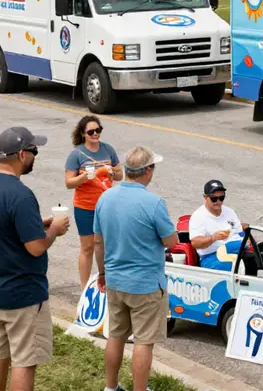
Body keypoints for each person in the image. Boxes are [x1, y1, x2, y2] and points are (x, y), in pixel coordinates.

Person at [0, 126, 69, 391]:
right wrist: (54, 230)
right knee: (24, 361)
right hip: (22, 293)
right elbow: (36, 247)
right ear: (22, 154)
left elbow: (0, 226)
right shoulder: (20, 194)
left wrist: (38, 224)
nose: (36, 156)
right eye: (34, 151)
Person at [94, 146, 177, 391]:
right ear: (147, 171)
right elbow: (170, 240)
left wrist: (102, 272)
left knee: (116, 335)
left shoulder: (105, 198)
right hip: (146, 284)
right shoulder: (153, 202)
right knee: (144, 341)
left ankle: (111, 387)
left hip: (116, 280)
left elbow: (97, 241)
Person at [64, 115, 122, 289]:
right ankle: (84, 287)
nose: (95, 134)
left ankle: (107, 283)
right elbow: (69, 183)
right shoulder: (76, 154)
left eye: (98, 130)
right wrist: (86, 176)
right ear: (83, 133)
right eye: (91, 132)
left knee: (106, 245)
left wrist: (112, 172)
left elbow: (120, 174)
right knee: (88, 247)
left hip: (107, 205)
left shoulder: (108, 149)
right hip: (85, 206)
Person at [189, 180, 249, 271]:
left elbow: (240, 233)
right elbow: (195, 243)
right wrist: (213, 238)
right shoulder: (198, 217)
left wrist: (247, 239)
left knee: (260, 258)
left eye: (221, 198)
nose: (218, 201)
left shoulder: (229, 212)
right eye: (214, 198)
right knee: (231, 267)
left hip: (236, 250)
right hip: (212, 255)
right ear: (205, 197)